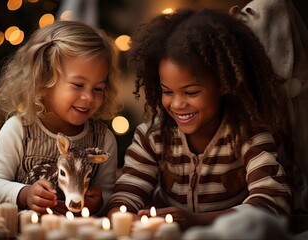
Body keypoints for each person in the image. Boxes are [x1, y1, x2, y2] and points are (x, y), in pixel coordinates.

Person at [107, 8, 292, 230]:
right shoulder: (151, 137)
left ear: (225, 84)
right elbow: (125, 197)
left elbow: (272, 204)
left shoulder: (248, 135)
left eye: (191, 92)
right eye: (167, 92)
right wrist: (123, 214)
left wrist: (197, 220)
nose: (176, 104)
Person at [0, 20, 122, 216]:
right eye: (78, 85)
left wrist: (99, 202)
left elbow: (108, 191)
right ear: (43, 81)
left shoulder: (103, 140)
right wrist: (24, 193)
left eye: (98, 88)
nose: (89, 97)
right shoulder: (19, 130)